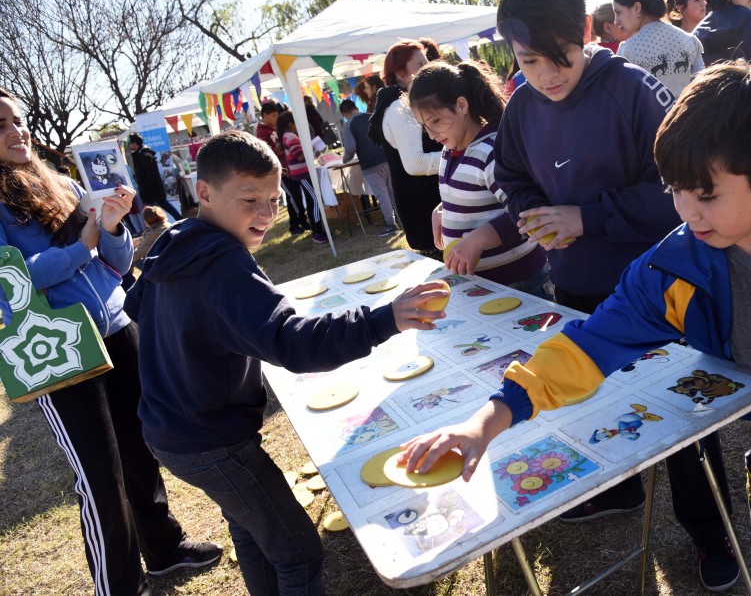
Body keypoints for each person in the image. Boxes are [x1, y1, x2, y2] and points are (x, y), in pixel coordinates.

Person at [400, 61, 751, 596]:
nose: (688, 212)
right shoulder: (673, 267)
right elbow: (587, 347)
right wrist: (486, 421)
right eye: (676, 192)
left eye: (706, 194)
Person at [486, 0, 740, 591]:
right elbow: (512, 177)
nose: (546, 74)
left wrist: (588, 216)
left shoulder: (634, 90)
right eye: (528, 60)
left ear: (586, 32)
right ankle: (619, 487)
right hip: (574, 286)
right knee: (591, 399)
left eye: (558, 57)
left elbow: (679, 191)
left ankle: (714, 535)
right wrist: (534, 215)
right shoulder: (520, 105)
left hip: (658, 288)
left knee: (682, 419)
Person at [124, 130, 449, 596]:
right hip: (209, 440)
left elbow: (137, 306)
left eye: (274, 198)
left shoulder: (176, 240)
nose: (265, 213)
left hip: (171, 428)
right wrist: (384, 319)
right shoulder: (224, 266)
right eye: (249, 199)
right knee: (298, 550)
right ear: (204, 193)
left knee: (251, 528)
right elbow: (293, 344)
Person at [0, 88, 221, 595]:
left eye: (19, 120)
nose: (18, 131)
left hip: (118, 329)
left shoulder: (61, 183)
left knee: (140, 449)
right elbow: (11, 281)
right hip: (57, 347)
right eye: (1, 125)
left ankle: (164, 549)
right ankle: (119, 585)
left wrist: (114, 227)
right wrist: (83, 246)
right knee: (100, 474)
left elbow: (115, 266)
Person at [408, 60, 550, 296]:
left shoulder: (491, 152)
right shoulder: (449, 149)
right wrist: (443, 209)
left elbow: (529, 213)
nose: (431, 134)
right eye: (424, 125)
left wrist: (479, 240)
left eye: (435, 121)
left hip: (519, 283)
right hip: (484, 284)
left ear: (461, 105)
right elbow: (475, 194)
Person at [368, 40, 443, 255]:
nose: (427, 70)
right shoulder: (401, 107)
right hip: (423, 208)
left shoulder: (404, 102)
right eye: (420, 66)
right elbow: (415, 163)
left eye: (427, 63)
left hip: (425, 206)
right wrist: (456, 157)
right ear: (401, 74)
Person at [613, 0, 705, 97]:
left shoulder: (627, 50)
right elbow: (703, 88)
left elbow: (622, 97)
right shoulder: (690, 41)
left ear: (637, 7)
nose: (616, 21)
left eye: (618, 12)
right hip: (688, 114)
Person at [340, 98, 400, 236]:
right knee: (392, 191)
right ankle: (402, 218)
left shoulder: (349, 125)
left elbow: (350, 148)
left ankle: (391, 224)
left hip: (370, 165)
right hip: (386, 158)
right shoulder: (371, 117)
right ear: (355, 107)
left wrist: (345, 159)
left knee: (382, 194)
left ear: (345, 113)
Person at [277, 110, 330, 244]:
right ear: (290, 123)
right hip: (302, 173)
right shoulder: (291, 137)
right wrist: (311, 148)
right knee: (315, 199)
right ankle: (317, 231)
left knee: (312, 200)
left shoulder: (287, 136)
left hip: (300, 173)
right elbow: (300, 156)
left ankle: (316, 228)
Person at [256, 100, 307, 235]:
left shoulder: (276, 128)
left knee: (294, 197)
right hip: (280, 172)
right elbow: (265, 154)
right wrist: (279, 149)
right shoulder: (261, 133)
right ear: (265, 115)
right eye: (273, 115)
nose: (276, 118)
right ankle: (301, 221)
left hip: (291, 168)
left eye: (277, 115)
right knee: (294, 197)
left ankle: (296, 224)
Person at [127, 133, 182, 221]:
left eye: (130, 143)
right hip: (150, 190)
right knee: (161, 207)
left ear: (134, 143)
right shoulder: (139, 155)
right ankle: (178, 220)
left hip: (152, 189)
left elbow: (150, 173)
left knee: (155, 210)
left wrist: (146, 187)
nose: (129, 145)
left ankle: (177, 221)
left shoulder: (145, 155)